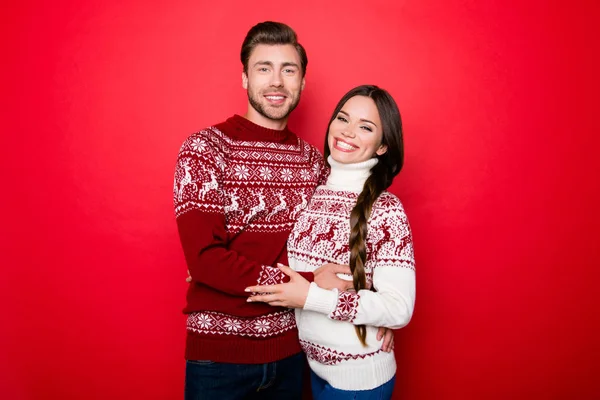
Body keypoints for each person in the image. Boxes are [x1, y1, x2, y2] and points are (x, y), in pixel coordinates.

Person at [173, 22, 394, 399]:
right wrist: (306, 285)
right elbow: (207, 259)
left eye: (288, 70)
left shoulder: (314, 163)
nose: (276, 81)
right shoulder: (205, 150)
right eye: (264, 68)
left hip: (294, 354)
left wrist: (373, 306)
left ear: (302, 82)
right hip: (219, 359)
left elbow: (350, 239)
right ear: (244, 78)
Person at [246, 85, 416, 400]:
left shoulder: (386, 208)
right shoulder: (313, 187)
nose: (348, 132)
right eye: (343, 119)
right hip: (310, 369)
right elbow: (283, 259)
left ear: (382, 146)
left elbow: (398, 308)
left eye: (365, 127)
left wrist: (313, 298)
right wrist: (220, 268)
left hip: (358, 382)